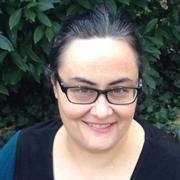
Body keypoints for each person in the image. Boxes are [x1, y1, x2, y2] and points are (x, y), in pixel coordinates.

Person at [0, 7, 180, 180]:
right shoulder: (19, 153)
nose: (102, 112)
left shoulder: (173, 167)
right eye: (82, 90)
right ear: (55, 85)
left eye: (119, 90)